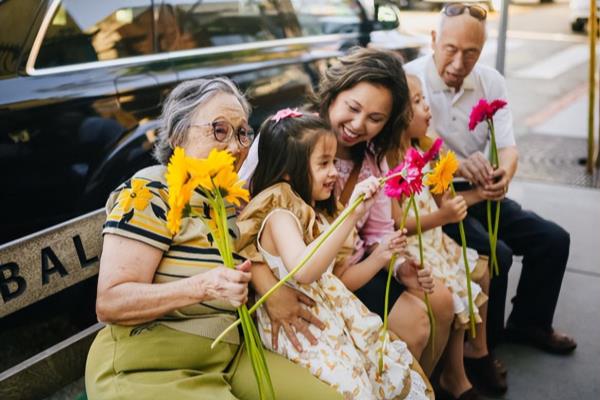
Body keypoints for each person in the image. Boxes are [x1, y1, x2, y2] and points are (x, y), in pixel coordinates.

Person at [85, 77, 344, 400]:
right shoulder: (151, 191)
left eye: (242, 133)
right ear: (180, 134)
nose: (236, 147)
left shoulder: (229, 199)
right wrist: (203, 287)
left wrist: (269, 291)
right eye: (219, 130)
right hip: (152, 364)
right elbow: (110, 303)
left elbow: (251, 256)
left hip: (227, 357)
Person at [240, 48, 456, 372]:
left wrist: (398, 268)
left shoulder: (373, 159)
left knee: (437, 304)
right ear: (333, 94)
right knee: (415, 324)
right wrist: (265, 286)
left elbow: (378, 232)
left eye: (375, 119)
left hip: (349, 268)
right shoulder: (287, 136)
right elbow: (240, 214)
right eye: (352, 108)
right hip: (295, 275)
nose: (357, 125)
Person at [404, 0, 576, 391]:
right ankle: (481, 349)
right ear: (433, 39)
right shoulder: (409, 79)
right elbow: (409, 142)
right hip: (437, 196)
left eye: (471, 52)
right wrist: (457, 164)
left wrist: (505, 174)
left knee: (553, 240)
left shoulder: (491, 81)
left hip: (484, 190)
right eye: (451, 49)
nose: (460, 61)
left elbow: (509, 145)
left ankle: (529, 323)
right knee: (493, 254)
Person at [237, 110, 432, 399]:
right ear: (289, 171)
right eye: (324, 163)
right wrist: (350, 215)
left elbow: (334, 279)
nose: (333, 172)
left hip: (331, 320)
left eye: (333, 162)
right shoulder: (279, 216)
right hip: (303, 332)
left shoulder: (308, 213)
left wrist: (380, 256)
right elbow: (304, 270)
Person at [388, 75, 505, 399]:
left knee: (481, 270)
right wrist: (444, 216)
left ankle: (473, 355)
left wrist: (482, 195)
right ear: (398, 114)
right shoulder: (391, 162)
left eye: (424, 99)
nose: (427, 107)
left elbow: (448, 201)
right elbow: (399, 224)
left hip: (437, 241)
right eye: (417, 102)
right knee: (454, 287)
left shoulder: (426, 150)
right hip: (415, 247)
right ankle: (455, 377)